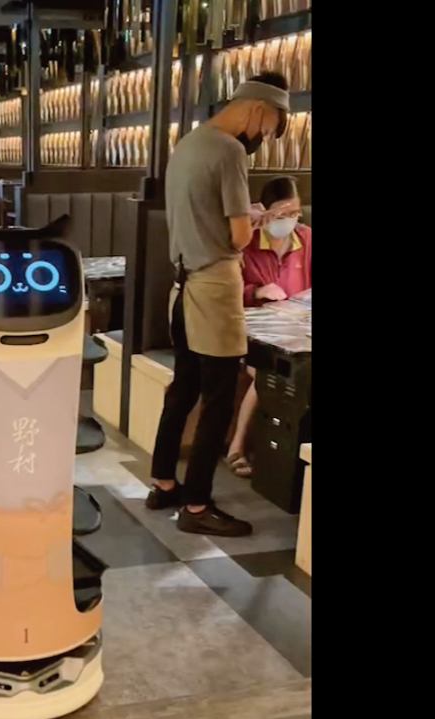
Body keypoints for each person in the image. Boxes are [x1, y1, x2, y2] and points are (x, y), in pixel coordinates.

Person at [145, 72, 291, 537]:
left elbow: (201, 215)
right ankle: (197, 505)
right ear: (258, 109)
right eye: (269, 127)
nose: (263, 137)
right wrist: (255, 221)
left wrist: (244, 215)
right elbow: (238, 237)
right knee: (218, 399)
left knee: (183, 388)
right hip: (213, 287)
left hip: (182, 284)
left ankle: (163, 483)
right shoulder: (229, 150)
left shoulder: (189, 144)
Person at [226, 176, 311, 478]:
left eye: (295, 212)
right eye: (282, 214)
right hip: (250, 337)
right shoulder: (245, 242)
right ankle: (237, 447)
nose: (290, 220)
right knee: (271, 373)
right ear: (265, 212)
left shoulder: (306, 239)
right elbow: (226, 289)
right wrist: (257, 291)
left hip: (297, 333)